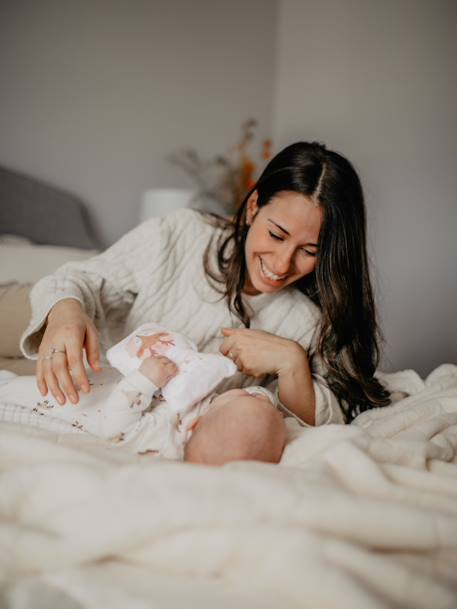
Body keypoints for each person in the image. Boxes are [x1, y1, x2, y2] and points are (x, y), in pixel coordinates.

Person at [20, 141, 390, 456]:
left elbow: (332, 414)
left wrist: (291, 362)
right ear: (252, 207)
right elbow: (79, 279)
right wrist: (64, 311)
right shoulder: (180, 234)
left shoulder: (307, 321)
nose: (281, 265)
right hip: (68, 326)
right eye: (276, 235)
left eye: (309, 250)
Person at [0, 340, 286, 464]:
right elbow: (255, 417)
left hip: (44, 406)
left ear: (197, 424)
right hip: (79, 385)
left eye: (244, 395)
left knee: (11, 390)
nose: (256, 394)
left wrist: (145, 381)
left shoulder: (163, 442)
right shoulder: (209, 420)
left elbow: (117, 428)